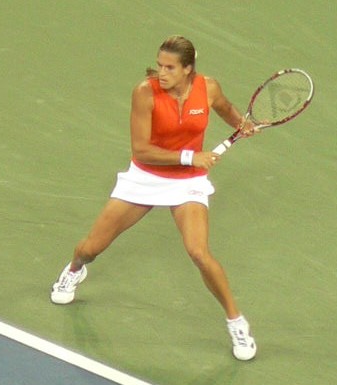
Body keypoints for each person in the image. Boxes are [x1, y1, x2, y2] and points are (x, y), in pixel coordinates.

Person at [51, 35, 258, 361]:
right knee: (90, 248)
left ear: (188, 69)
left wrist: (240, 124)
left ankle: (236, 321)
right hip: (146, 178)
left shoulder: (209, 88)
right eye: (160, 65)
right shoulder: (145, 92)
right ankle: (74, 269)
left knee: (199, 253)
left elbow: (225, 108)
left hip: (188, 184)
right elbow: (142, 150)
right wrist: (192, 157)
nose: (162, 72)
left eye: (170, 67)